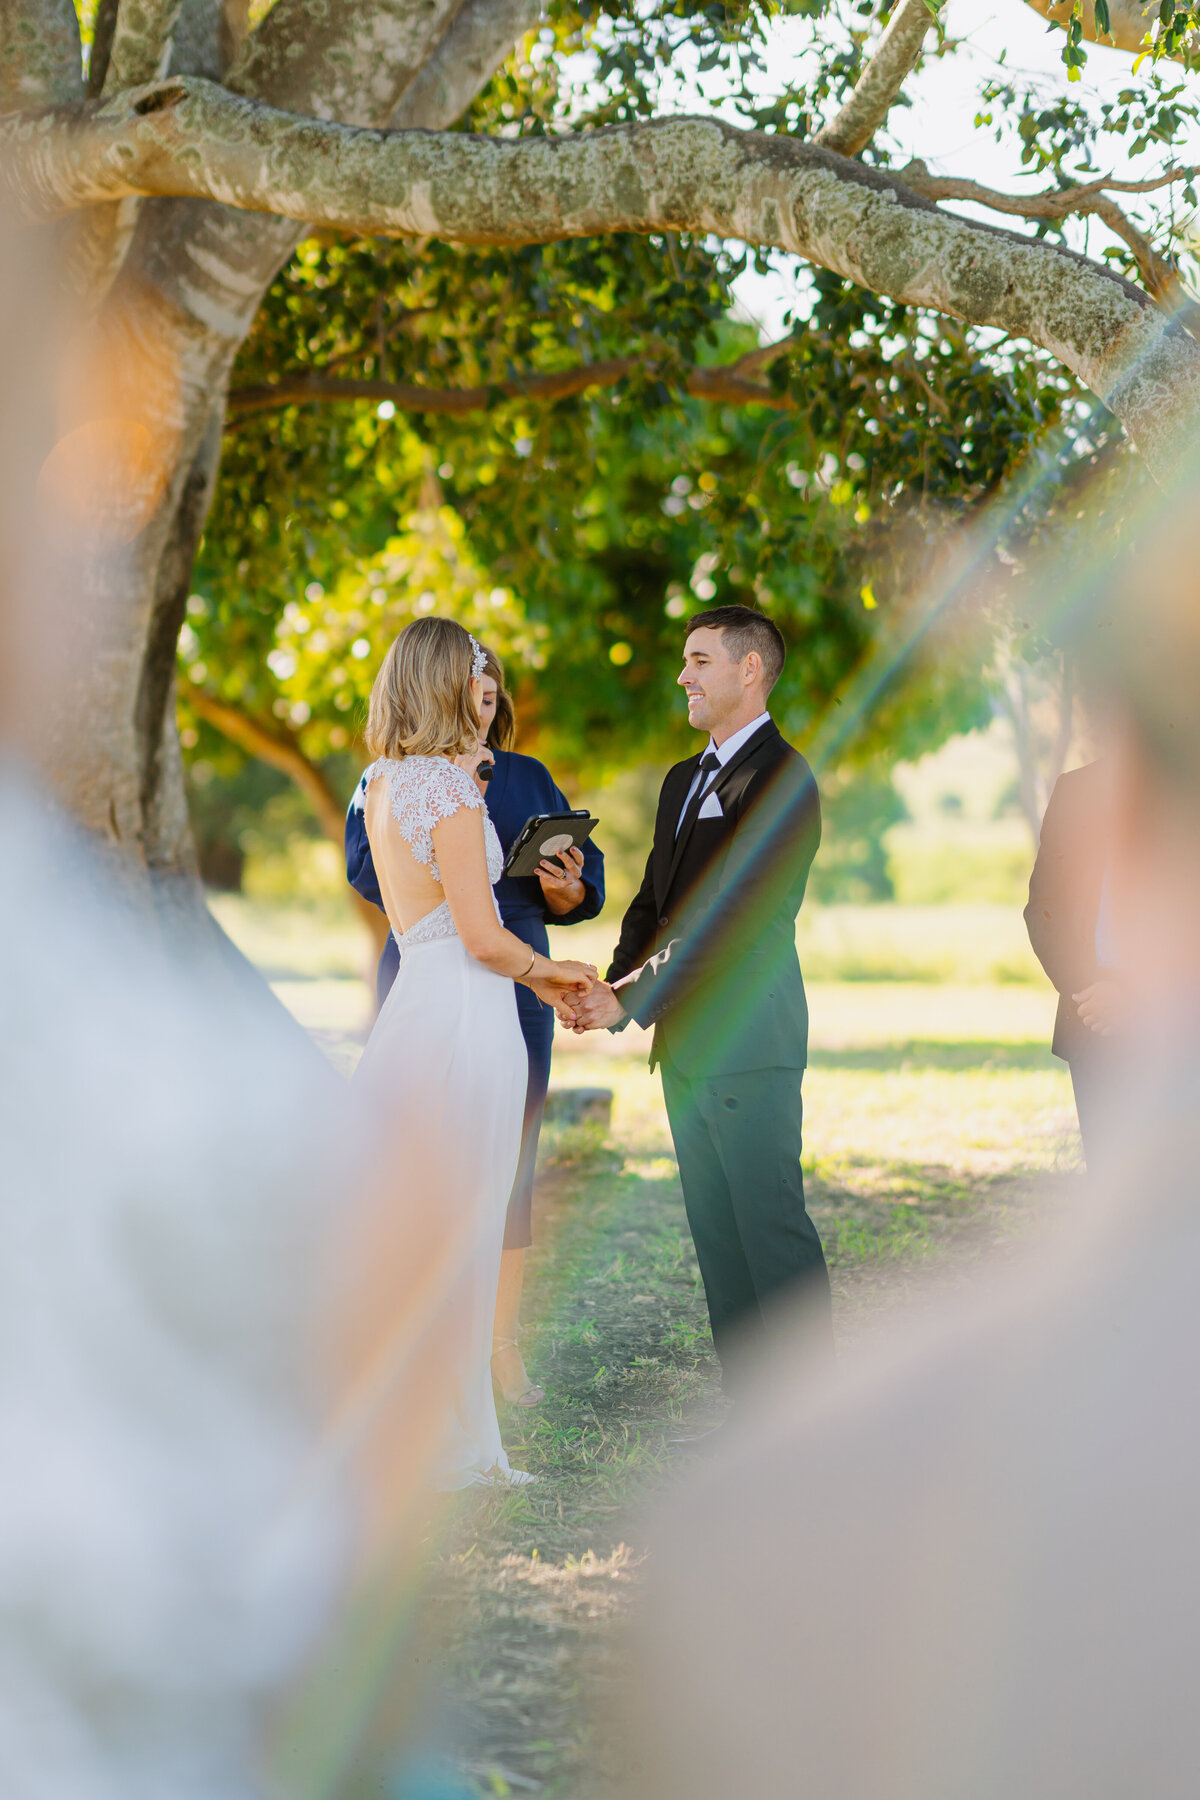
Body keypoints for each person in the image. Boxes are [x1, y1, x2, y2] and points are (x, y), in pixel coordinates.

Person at [350, 617, 595, 1489]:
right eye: (471, 676)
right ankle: (445, 1437)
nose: (484, 691)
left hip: (418, 998)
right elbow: (487, 941)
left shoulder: (385, 781)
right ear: (441, 683)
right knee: (466, 1220)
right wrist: (553, 972)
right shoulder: (448, 795)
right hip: (466, 1008)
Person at [567, 605, 830, 1413]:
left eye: (700, 660)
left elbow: (734, 917)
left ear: (750, 671)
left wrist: (628, 1001)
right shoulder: (684, 780)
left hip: (750, 1042)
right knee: (718, 1241)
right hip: (683, 1044)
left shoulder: (785, 779)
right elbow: (657, 902)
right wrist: (610, 985)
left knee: (770, 1232)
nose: (683, 675)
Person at [1024, 749, 1123, 1170]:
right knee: (1109, 1186)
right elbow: (1044, 911)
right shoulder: (1077, 790)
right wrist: (1091, 992)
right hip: (1091, 1018)